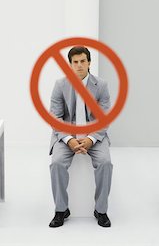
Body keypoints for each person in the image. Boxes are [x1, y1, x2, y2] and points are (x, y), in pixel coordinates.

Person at [48, 46, 113, 227]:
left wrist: (91, 139)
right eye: (75, 62)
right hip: (66, 136)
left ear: (89, 62)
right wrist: (69, 139)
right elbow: (55, 116)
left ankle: (101, 210)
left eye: (83, 61)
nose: (79, 65)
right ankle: (61, 209)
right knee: (57, 163)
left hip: (95, 136)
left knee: (105, 163)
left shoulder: (101, 86)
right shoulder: (60, 85)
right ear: (70, 64)